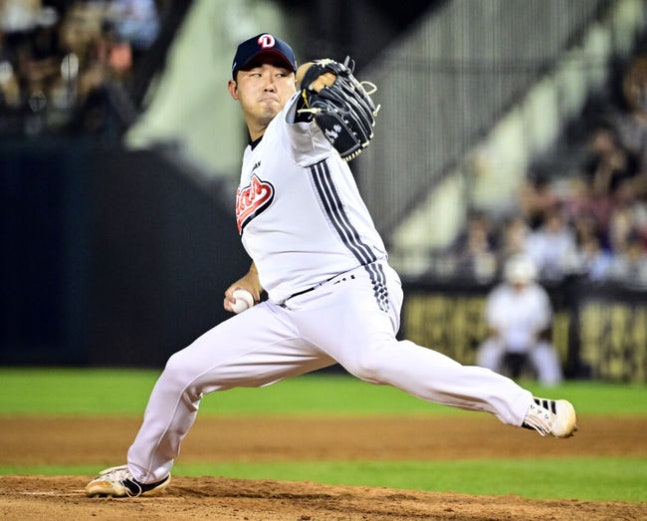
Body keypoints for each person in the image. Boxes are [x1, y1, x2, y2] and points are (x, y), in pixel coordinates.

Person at [85, 33, 578, 498]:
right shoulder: (251, 164)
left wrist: (307, 74)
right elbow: (274, 244)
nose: (269, 81)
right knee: (182, 370)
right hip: (288, 313)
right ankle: (145, 471)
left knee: (372, 360)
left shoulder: (295, 130)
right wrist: (252, 282)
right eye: (255, 73)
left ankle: (524, 406)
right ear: (234, 89)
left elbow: (312, 81)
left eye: (279, 73)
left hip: (350, 289)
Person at [476, 255, 563, 386]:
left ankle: (551, 386)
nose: (518, 284)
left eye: (521, 281)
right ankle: (482, 385)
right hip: (504, 337)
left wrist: (533, 339)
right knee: (488, 353)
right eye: (515, 280)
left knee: (546, 356)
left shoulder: (537, 295)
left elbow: (543, 324)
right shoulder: (499, 295)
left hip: (530, 338)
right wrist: (502, 339)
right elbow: (493, 325)